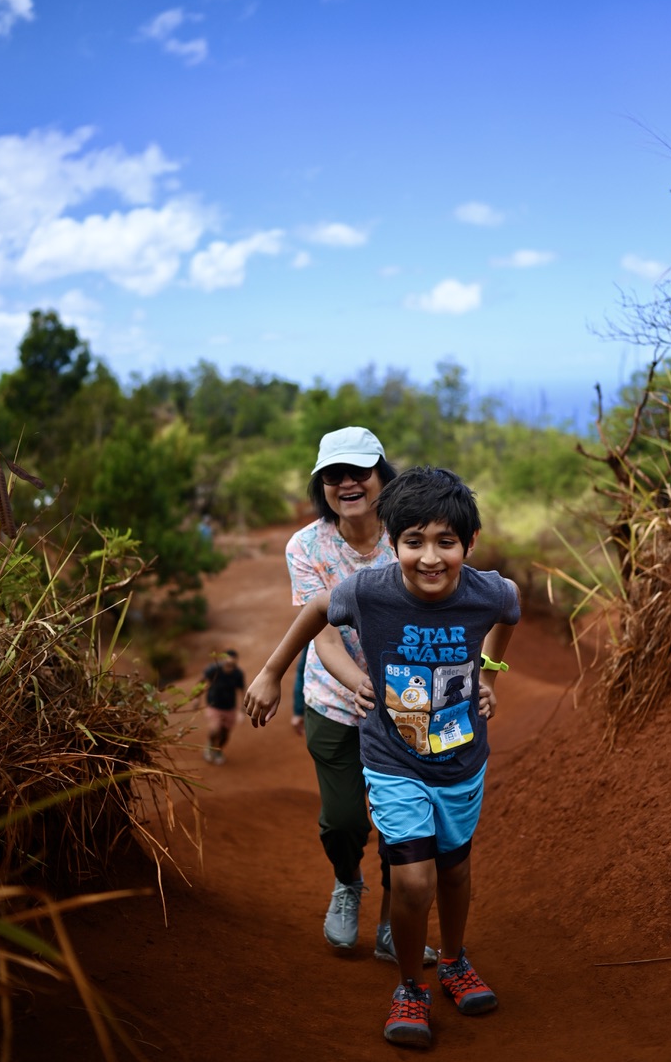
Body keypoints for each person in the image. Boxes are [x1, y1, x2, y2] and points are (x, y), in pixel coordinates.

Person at [244, 466, 520, 1049]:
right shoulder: (368, 590)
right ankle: (410, 987)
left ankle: (453, 960)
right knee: (414, 880)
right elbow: (317, 609)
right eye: (413, 541)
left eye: (446, 542)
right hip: (392, 758)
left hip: (463, 759)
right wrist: (271, 673)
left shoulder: (488, 590)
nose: (429, 557)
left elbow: (509, 614)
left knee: (454, 870)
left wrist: (490, 673)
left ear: (468, 544)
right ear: (392, 544)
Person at [285, 426, 437, 964]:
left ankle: (394, 926)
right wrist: (360, 685)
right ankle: (347, 882)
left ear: (381, 476)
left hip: (409, 700)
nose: (347, 484)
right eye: (334, 475)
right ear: (321, 484)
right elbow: (321, 632)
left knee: (406, 822)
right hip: (332, 697)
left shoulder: (409, 536)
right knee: (344, 820)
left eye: (359, 472)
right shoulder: (305, 547)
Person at [196, 648, 245, 765]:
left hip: (229, 708)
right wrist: (196, 698)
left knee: (225, 734)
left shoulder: (238, 674)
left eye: (233, 662)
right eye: (228, 661)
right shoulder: (213, 670)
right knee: (215, 729)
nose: (230, 664)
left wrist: (242, 710)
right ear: (223, 659)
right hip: (214, 706)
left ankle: (218, 751)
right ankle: (209, 746)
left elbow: (242, 691)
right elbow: (201, 682)